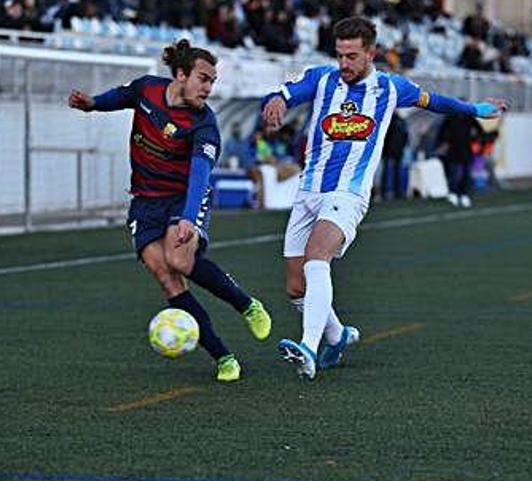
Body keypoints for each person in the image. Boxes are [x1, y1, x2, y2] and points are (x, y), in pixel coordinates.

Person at [261, 16, 505, 380]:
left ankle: (309, 348)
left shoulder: (392, 88)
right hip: (309, 190)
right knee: (296, 286)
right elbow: (283, 92)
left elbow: (434, 101)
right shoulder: (321, 78)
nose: (344, 63)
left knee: (317, 257)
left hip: (349, 192)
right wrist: (276, 102)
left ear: (371, 53)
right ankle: (336, 334)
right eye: (340, 55)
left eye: (352, 56)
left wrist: (475, 110)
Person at [68, 40, 272, 383]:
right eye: (203, 79)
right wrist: (91, 104)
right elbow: (116, 98)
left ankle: (246, 304)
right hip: (145, 201)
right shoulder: (146, 89)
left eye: (212, 81)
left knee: (178, 259)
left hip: (184, 198)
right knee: (166, 276)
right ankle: (223, 357)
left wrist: (189, 218)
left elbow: (200, 174)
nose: (208, 88)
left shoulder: (204, 123)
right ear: (180, 75)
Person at [438, 108, 482, 208]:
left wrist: (475, 140)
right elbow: (442, 132)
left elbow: (479, 131)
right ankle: (453, 193)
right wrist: (443, 143)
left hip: (466, 150)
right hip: (453, 150)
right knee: (453, 174)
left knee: (466, 174)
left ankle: (464, 194)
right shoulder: (450, 117)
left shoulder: (469, 118)